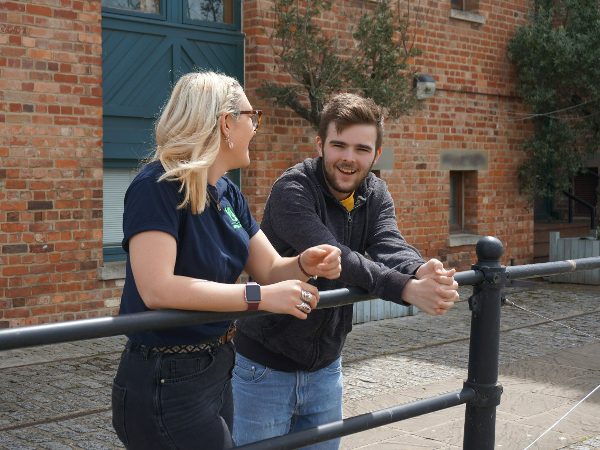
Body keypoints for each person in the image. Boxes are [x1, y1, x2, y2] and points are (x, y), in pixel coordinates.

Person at [110, 71, 342, 450]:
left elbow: (268, 269)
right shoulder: (157, 186)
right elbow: (157, 288)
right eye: (252, 116)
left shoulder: (227, 192)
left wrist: (303, 263)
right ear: (226, 123)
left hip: (216, 367)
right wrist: (258, 298)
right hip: (165, 379)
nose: (255, 127)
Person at [232, 93, 460, 449]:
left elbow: (388, 242)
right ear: (320, 144)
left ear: (376, 154)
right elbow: (338, 255)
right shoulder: (293, 190)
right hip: (264, 367)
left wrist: (420, 269)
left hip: (326, 368)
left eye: (361, 149)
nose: (349, 158)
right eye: (339, 145)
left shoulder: (375, 192)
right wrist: (405, 288)